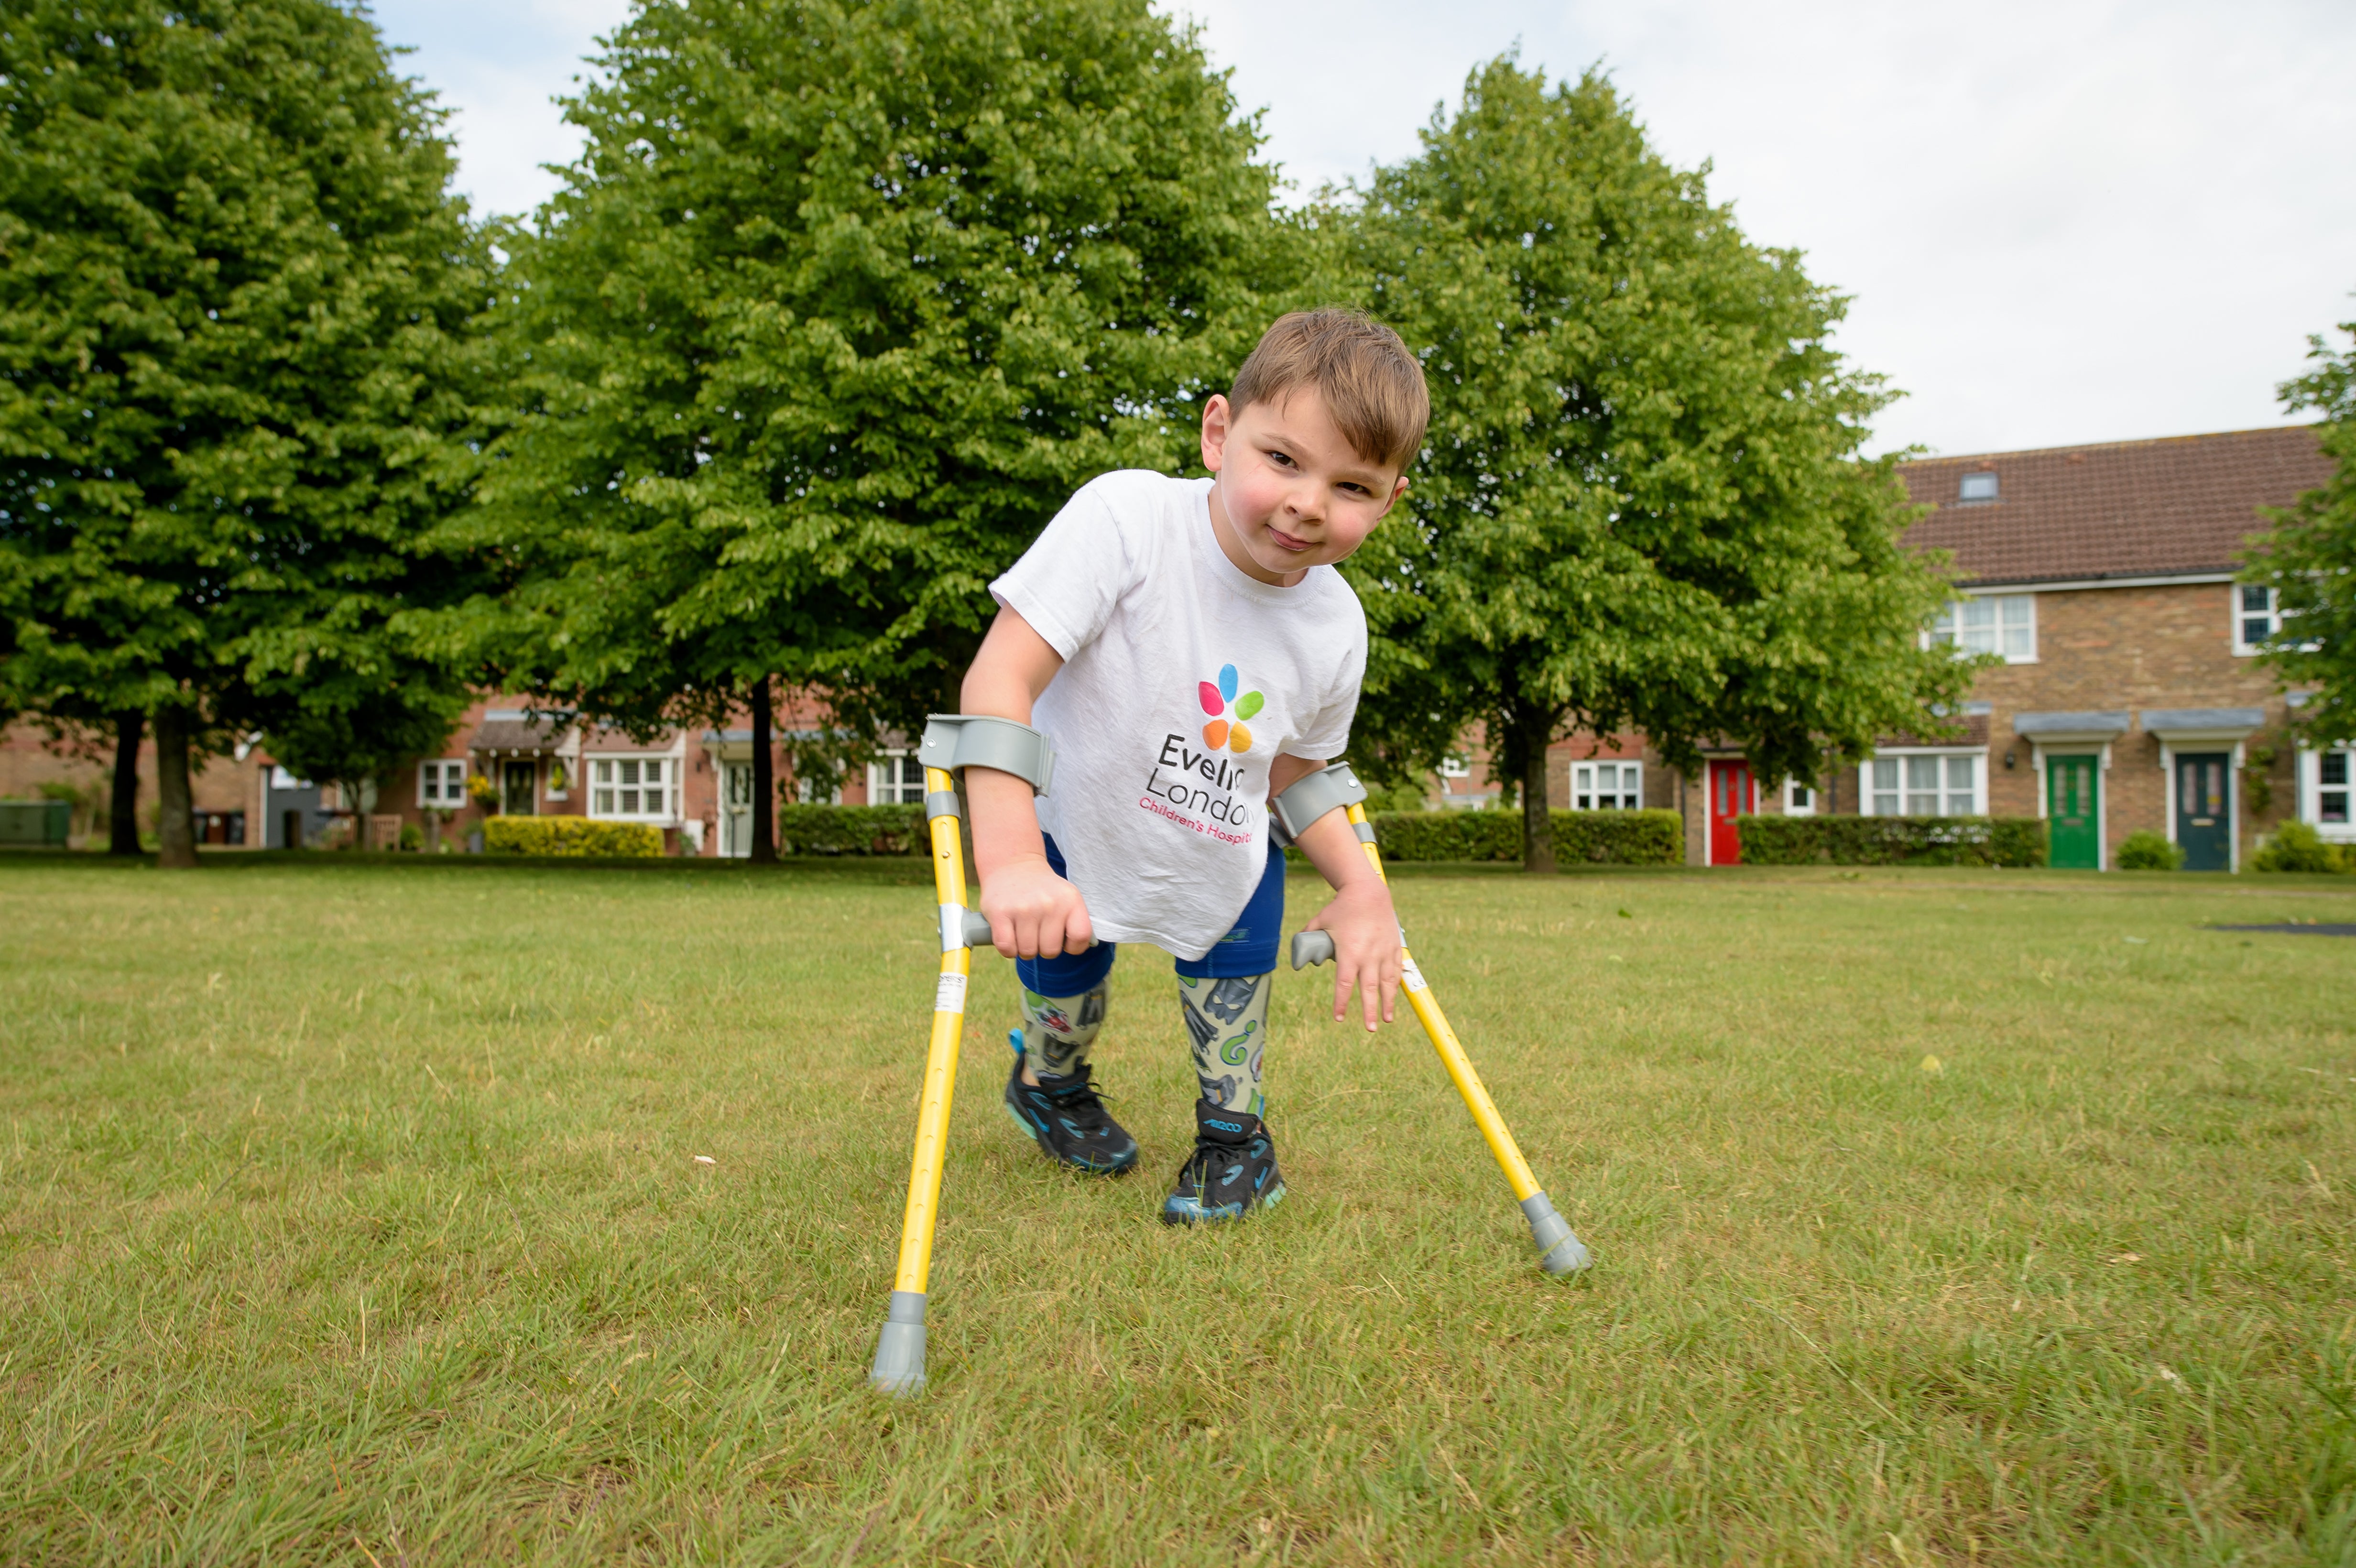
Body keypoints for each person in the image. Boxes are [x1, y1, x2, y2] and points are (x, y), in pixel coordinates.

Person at [961, 307, 1429, 1224]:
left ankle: (1235, 1144)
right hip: (1071, 826)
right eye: (1283, 460)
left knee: (1231, 991)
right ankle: (1049, 1085)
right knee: (1069, 991)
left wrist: (1365, 888)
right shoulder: (1126, 519)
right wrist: (1013, 859)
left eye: (1352, 486)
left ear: (1389, 501)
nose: (1307, 503)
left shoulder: (1337, 626)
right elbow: (1000, 679)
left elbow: (1302, 775)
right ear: (1219, 433)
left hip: (1222, 840)